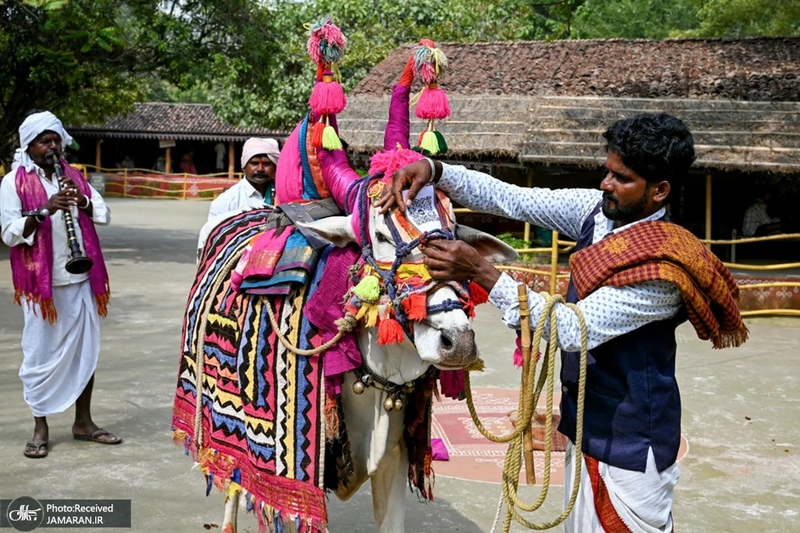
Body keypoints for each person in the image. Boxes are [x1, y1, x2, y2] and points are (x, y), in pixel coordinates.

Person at [379, 112, 748, 532]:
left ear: (659, 191)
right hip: (584, 424)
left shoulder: (664, 271)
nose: (607, 184)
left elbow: (569, 329)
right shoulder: (596, 212)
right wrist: (436, 170)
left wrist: (481, 272)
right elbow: (512, 198)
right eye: (607, 171)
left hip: (631, 446)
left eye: (622, 178)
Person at [1, 110, 120, 459]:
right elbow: (9, 233)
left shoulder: (74, 177)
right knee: (39, 356)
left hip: (81, 277)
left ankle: (83, 422)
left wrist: (81, 200)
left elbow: (105, 214)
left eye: (56, 139)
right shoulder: (12, 182)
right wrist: (43, 210)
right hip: (42, 288)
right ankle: (40, 427)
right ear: (30, 145)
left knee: (86, 351)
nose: (52, 146)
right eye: (44, 140)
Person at [207, 137, 280, 221]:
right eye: (254, 163)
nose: (260, 169)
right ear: (244, 166)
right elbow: (216, 232)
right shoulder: (225, 202)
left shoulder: (284, 195)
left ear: (275, 168)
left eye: (266, 164)